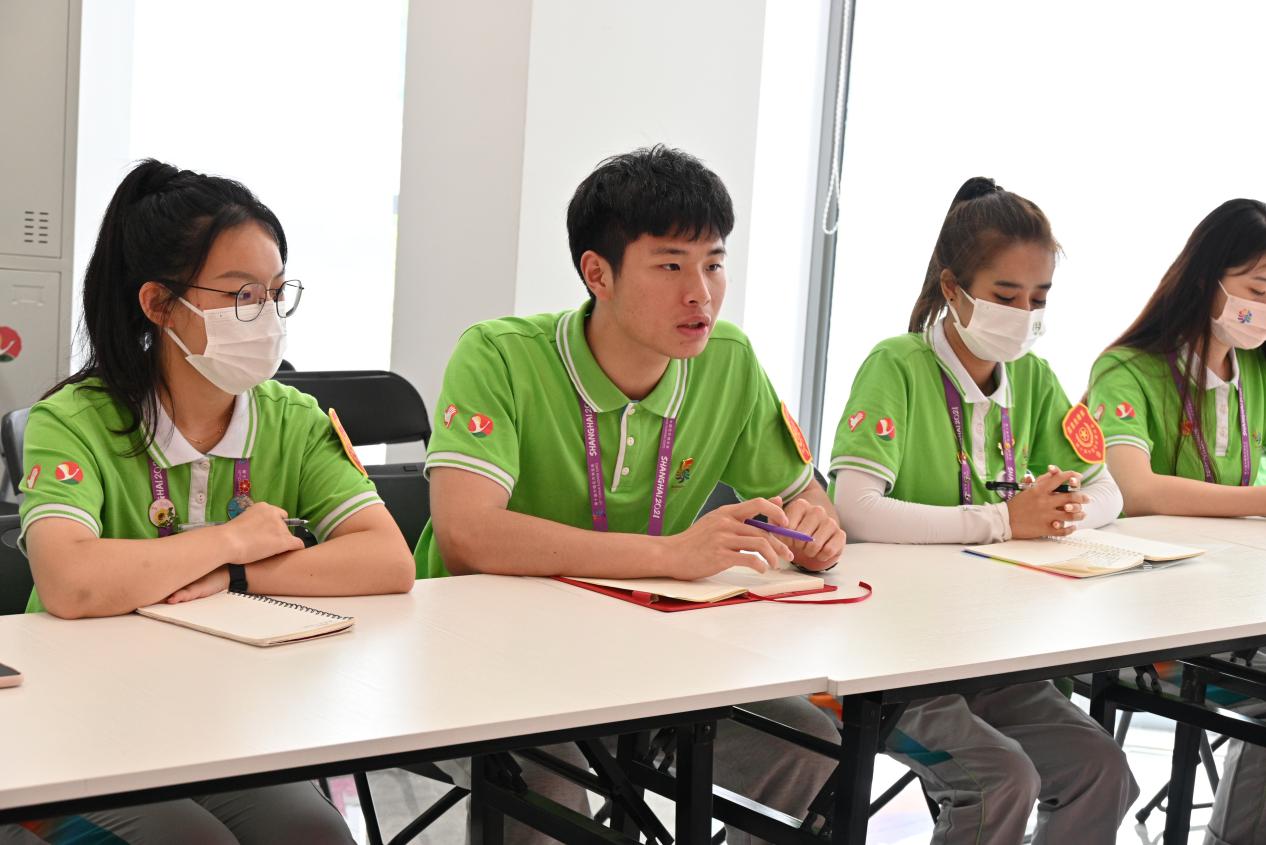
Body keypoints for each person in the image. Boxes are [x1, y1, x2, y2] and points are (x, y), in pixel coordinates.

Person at [415, 145, 846, 844]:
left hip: (647, 658)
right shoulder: (498, 354)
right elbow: (467, 535)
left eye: (714, 263)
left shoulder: (728, 360)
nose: (700, 292)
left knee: (807, 743)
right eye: (671, 265)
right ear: (598, 273)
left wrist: (814, 532)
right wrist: (670, 555)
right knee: (551, 793)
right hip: (488, 659)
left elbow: (812, 500)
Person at [7, 160, 414, 844]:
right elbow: (71, 580)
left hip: (220, 716)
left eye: (276, 293)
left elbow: (387, 560)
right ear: (159, 304)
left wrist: (235, 575)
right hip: (73, 718)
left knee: (314, 834)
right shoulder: (74, 419)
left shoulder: (292, 418)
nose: (266, 315)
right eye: (241, 294)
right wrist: (231, 538)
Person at [828, 177, 1138, 844]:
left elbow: (1109, 491)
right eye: (1005, 295)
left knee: (1103, 769)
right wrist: (1003, 521)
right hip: (897, 657)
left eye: (1039, 298)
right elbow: (854, 508)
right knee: (1004, 778)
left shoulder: (1036, 377)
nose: (1024, 313)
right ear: (952, 288)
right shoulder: (896, 365)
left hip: (994, 650)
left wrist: (1061, 515)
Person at [1087, 198, 1266, 845]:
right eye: (1260, 290)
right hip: (1143, 616)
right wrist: (1260, 498)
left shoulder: (1257, 370)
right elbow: (1135, 490)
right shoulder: (1127, 369)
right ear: (1207, 279)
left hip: (1233, 602)